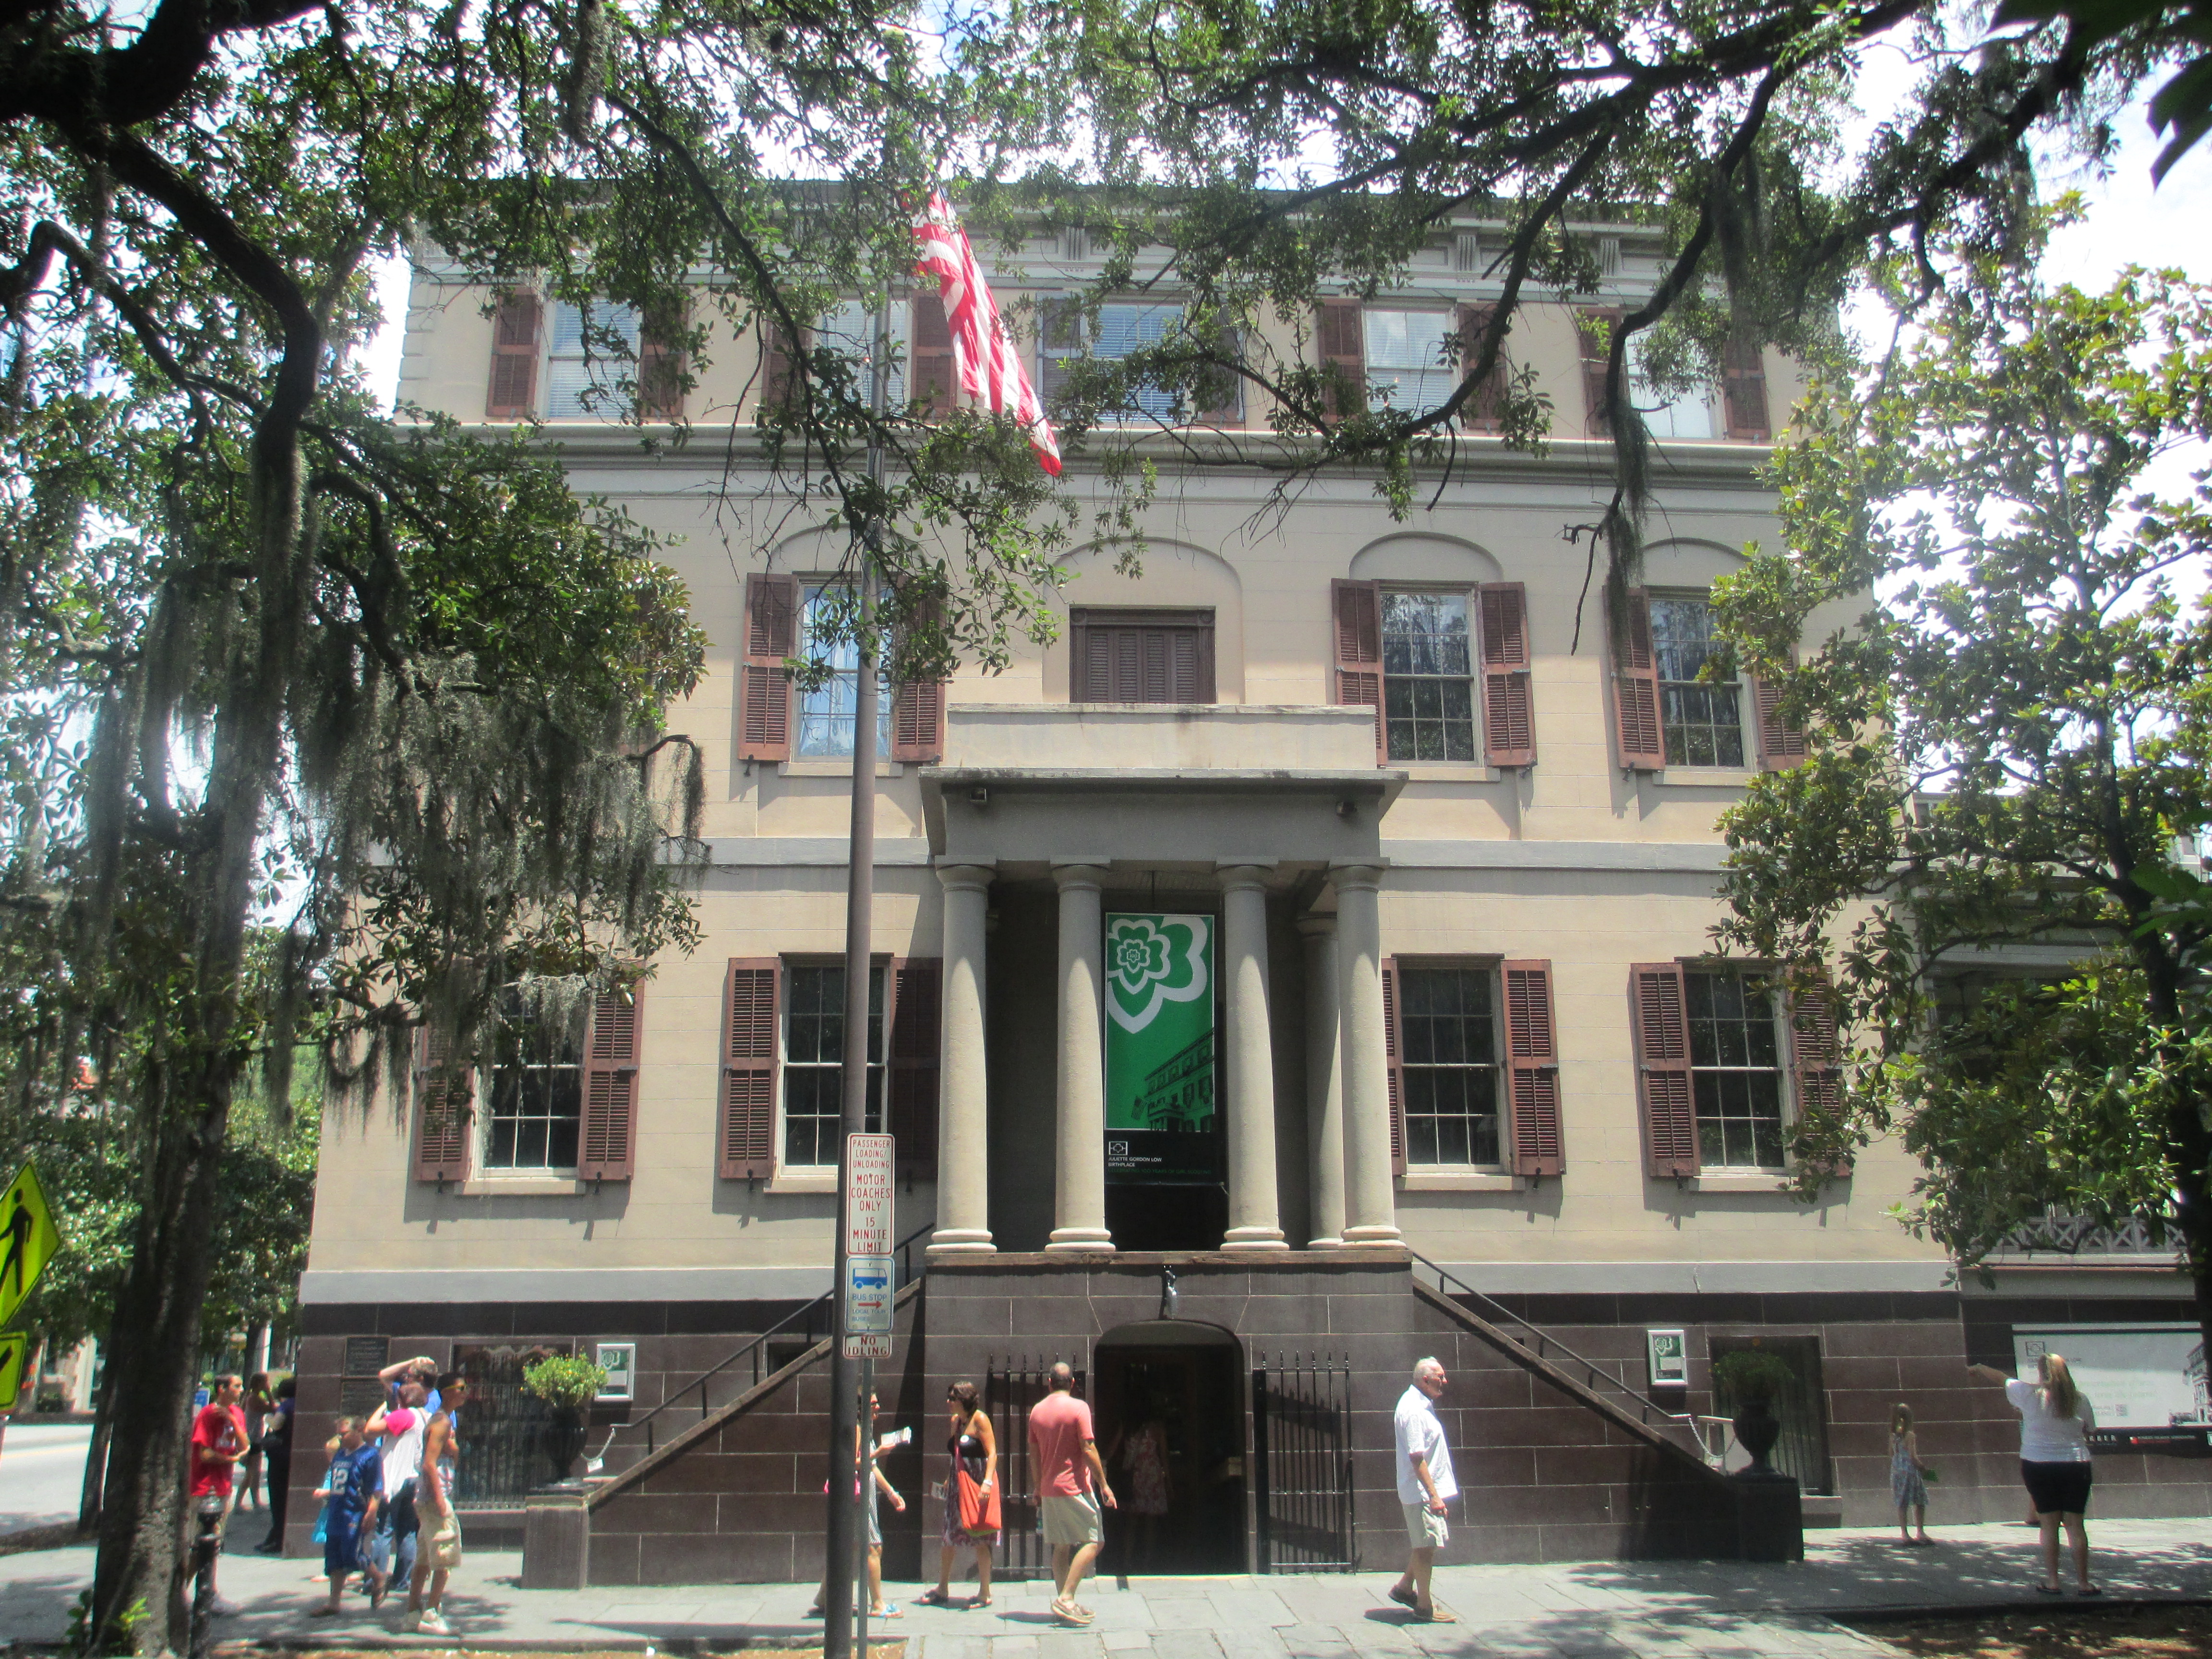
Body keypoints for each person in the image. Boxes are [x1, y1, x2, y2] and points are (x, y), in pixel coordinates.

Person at [1971, 1354, 2099, 1595]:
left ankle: (2053, 1582)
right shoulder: (2080, 1400)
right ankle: (2084, 1584)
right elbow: (2090, 1430)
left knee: (2049, 1526)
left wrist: (1979, 1367)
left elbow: (2002, 1379)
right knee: (2075, 1526)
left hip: (2038, 1464)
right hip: (2076, 1464)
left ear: (2041, 1373)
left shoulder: (2029, 1395)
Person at [1027, 1362, 1115, 1627]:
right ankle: (1066, 1598)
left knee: (1062, 1545)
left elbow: (1034, 1454)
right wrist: (1104, 1484)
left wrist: (1037, 1486)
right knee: (1094, 1541)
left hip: (1049, 1488)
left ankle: (1066, 1603)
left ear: (1050, 1383)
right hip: (1074, 1487)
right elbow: (1088, 1449)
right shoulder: (1079, 1408)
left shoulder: (1036, 1412)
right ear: (1073, 1383)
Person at [1387, 1357, 1457, 1624]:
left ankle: (1405, 1587)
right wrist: (1434, 1496)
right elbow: (1417, 1458)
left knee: (1425, 1544)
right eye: (1441, 1376)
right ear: (1425, 1379)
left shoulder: (1419, 1404)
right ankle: (1425, 1606)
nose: (1445, 1381)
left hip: (1423, 1492)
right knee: (1426, 1547)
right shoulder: (1414, 1410)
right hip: (1421, 1494)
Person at [403, 1370, 471, 1635]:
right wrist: (442, 1500)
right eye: (461, 1387)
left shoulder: (443, 1421)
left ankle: (412, 1612)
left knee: (424, 1557)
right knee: (445, 1556)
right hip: (435, 1498)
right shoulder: (442, 1422)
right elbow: (429, 1464)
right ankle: (431, 1612)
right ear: (446, 1391)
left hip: (428, 1498)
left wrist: (453, 1451)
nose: (465, 1392)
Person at [920, 1381, 998, 1610]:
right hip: (958, 1483)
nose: (948, 1402)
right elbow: (955, 1454)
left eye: (952, 1398)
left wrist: (988, 1482)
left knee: (980, 1535)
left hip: (977, 1482)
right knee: (949, 1535)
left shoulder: (980, 1420)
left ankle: (985, 1592)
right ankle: (942, 1587)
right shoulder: (956, 1421)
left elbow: (993, 1454)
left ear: (963, 1401)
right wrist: (949, 1477)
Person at [187, 1374, 249, 1616]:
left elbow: (245, 1446)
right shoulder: (207, 1415)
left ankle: (208, 1593)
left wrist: (233, 1419)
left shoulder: (236, 1413)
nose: (241, 1389)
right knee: (200, 1544)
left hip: (224, 1487)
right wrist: (231, 1459)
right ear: (222, 1389)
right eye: (236, 1386)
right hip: (205, 1488)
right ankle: (185, 1594)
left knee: (214, 1544)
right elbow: (205, 1455)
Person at [311, 1417, 385, 1616]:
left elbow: (377, 1488)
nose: (341, 1438)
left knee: (352, 1554)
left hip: (355, 1511)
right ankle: (334, 1603)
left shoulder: (370, 1455)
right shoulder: (340, 1455)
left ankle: (378, 1578)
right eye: (340, 1434)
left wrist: (371, 1511)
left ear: (359, 1430)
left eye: (344, 1433)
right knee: (333, 1556)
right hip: (337, 1510)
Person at [364, 1381, 431, 1599]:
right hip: (414, 1478)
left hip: (395, 1480)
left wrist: (382, 1409)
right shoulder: (426, 1417)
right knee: (408, 1531)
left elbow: (370, 1431)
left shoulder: (405, 1416)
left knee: (383, 1531)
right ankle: (403, 1579)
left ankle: (376, 1579)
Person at [1105, 1392, 1170, 1573]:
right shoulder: (1157, 1428)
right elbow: (1164, 1457)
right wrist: (1169, 1482)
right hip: (1153, 1477)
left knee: (1131, 1523)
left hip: (1135, 1477)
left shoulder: (1126, 1427)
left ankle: (1127, 1562)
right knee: (1151, 1522)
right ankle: (1148, 1563)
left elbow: (1111, 1452)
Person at [256, 1377, 297, 1553]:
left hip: (280, 1457)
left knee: (278, 1501)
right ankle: (276, 1536)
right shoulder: (301, 1403)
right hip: (293, 1457)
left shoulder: (286, 1406)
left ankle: (277, 1538)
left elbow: (277, 1423)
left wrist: (268, 1420)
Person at [1889, 1404, 1933, 1546]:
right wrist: (1924, 1468)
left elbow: (1891, 1454)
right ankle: (1920, 1532)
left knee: (1902, 1503)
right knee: (1920, 1501)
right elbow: (1913, 1457)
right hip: (1910, 1473)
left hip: (1897, 1472)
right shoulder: (1910, 1435)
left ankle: (1905, 1535)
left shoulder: (1893, 1437)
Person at [238, 1373, 273, 1514]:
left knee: (254, 1473)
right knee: (251, 1473)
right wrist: (269, 1392)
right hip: (252, 1440)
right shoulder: (254, 1399)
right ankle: (239, 1504)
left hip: (254, 1439)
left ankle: (255, 1501)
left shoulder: (252, 1398)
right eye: (265, 1383)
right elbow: (273, 1409)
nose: (267, 1385)